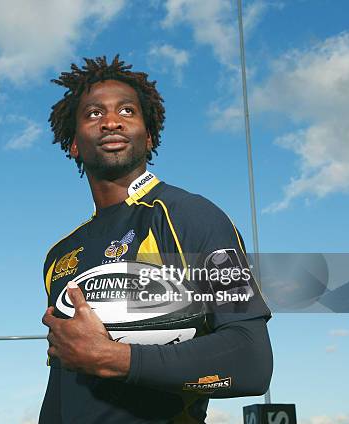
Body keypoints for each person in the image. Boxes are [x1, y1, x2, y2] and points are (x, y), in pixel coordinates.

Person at [40, 55, 273, 423]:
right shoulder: (61, 256)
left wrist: (113, 357)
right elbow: (63, 383)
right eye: (94, 113)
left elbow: (251, 360)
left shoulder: (190, 216)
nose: (112, 121)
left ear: (148, 138)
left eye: (127, 111)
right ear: (72, 143)